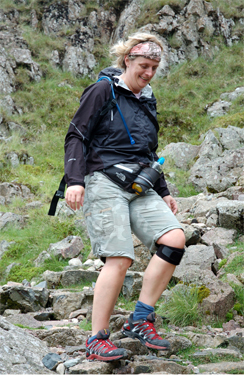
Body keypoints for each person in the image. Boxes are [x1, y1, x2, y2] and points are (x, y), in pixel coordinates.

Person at [64, 32, 185, 362]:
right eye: (143, 65)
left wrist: (163, 191)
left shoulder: (147, 98)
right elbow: (76, 134)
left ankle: (140, 319)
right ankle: (96, 339)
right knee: (119, 258)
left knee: (174, 239)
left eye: (154, 68)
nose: (148, 73)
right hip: (103, 179)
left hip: (140, 184)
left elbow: (149, 150)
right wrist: (75, 181)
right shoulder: (104, 89)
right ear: (127, 59)